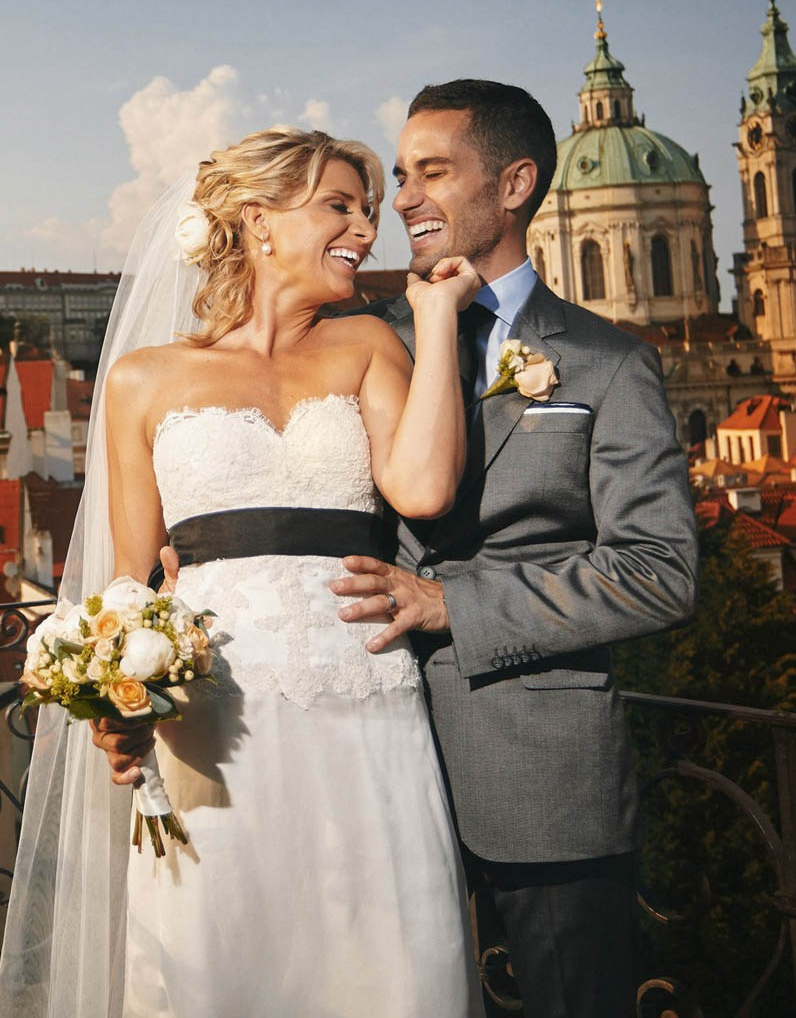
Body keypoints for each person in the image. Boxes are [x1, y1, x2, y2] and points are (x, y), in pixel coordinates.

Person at [0, 127, 484, 1018]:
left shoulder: (371, 345)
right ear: (260, 222)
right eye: (339, 205)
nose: (365, 228)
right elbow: (123, 590)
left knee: (386, 957)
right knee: (222, 958)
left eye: (367, 209)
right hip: (212, 721)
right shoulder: (145, 379)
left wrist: (438, 322)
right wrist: (117, 710)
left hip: (364, 700)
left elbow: (423, 487)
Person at [325, 80, 699, 1017]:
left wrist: (456, 605)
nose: (401, 199)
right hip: (367, 769)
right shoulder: (367, 345)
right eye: (400, 175)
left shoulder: (609, 362)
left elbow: (658, 573)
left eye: (433, 173)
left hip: (545, 784)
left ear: (517, 184)